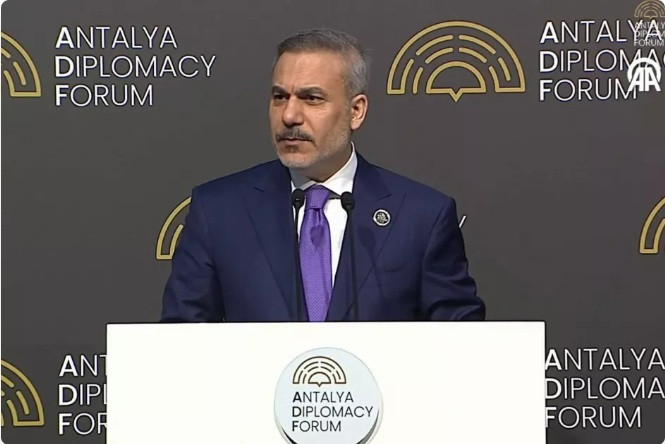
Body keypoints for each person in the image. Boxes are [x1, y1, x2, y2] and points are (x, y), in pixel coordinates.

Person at [160, 28, 485, 322]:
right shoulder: (218, 211)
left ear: (355, 111)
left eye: (311, 98)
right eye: (279, 97)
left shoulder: (421, 216)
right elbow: (180, 341)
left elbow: (462, 342)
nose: (289, 115)